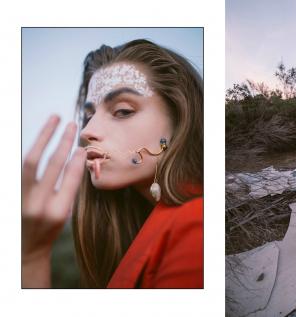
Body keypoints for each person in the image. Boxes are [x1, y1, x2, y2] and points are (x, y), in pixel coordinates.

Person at [22, 39, 203, 288]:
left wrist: (31, 262)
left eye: (122, 111)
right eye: (89, 115)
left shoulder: (195, 225)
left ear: (180, 118)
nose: (88, 131)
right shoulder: (140, 225)